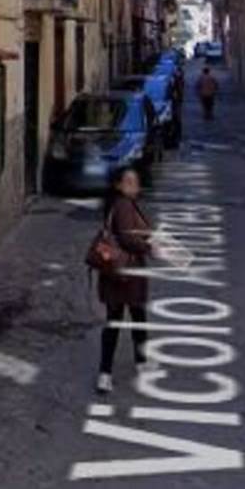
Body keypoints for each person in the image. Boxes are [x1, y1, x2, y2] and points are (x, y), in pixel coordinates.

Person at [96, 165, 152, 394]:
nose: (134, 185)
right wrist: (150, 247)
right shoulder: (124, 205)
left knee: (117, 321)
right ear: (118, 185)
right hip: (128, 273)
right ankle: (140, 363)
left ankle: (106, 374)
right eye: (129, 181)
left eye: (135, 180)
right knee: (135, 319)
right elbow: (129, 239)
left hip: (115, 273)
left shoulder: (116, 204)